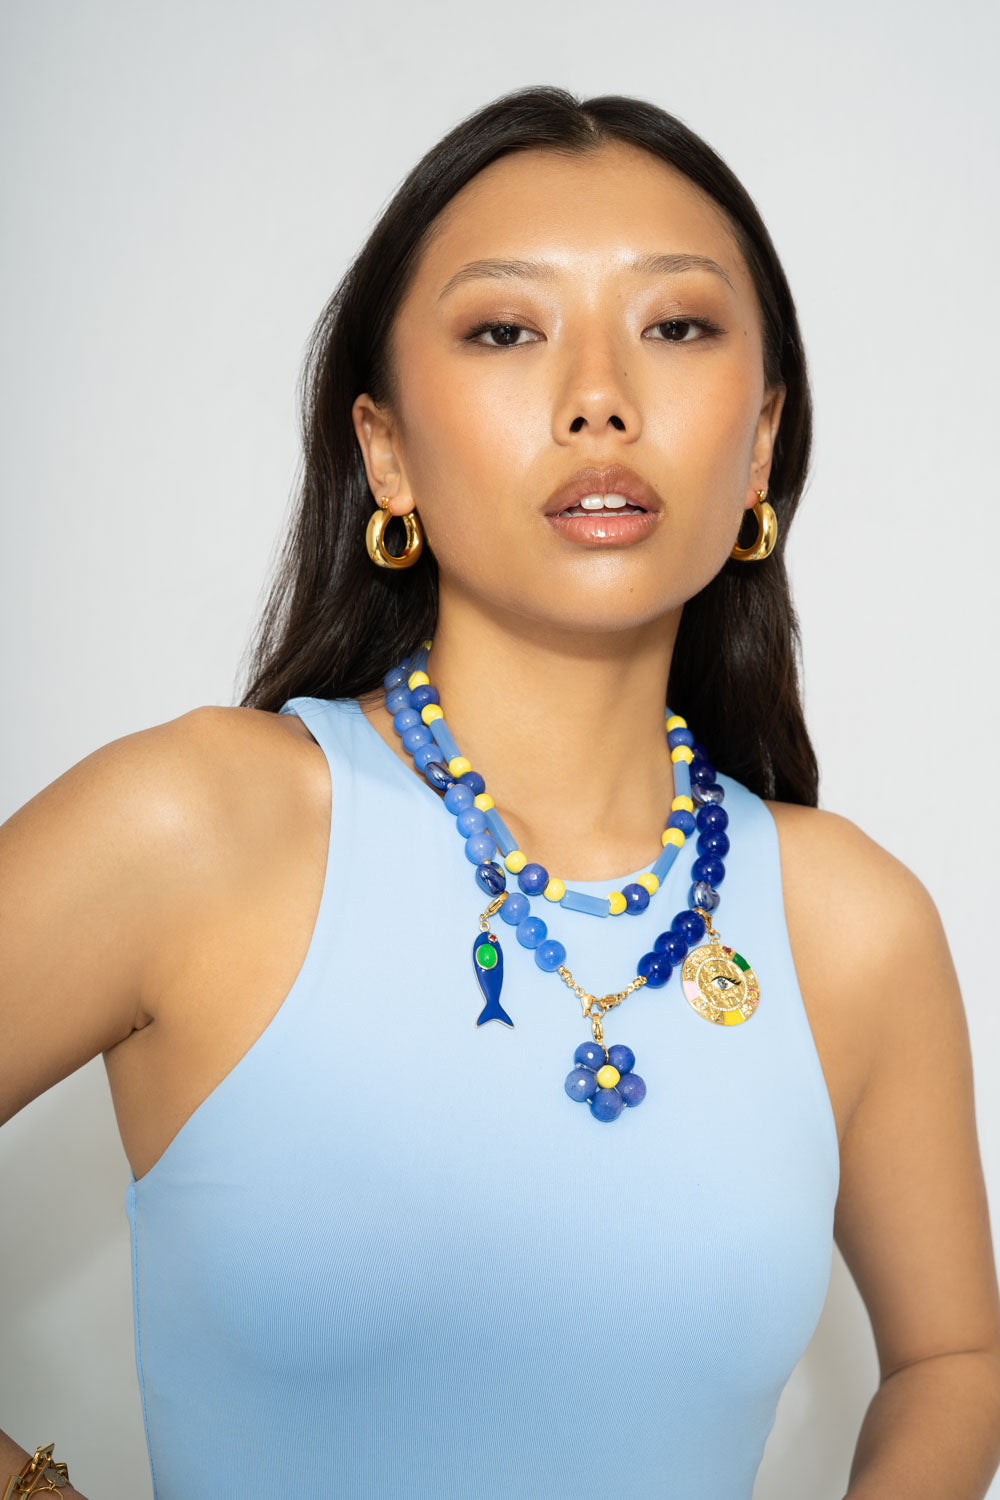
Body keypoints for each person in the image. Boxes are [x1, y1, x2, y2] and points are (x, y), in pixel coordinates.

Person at [2, 84, 999, 1500]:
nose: (599, 395)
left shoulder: (853, 924)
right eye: (505, 330)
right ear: (386, 450)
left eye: (677, 326)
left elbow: (955, 1358)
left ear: (763, 443)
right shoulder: (195, 828)